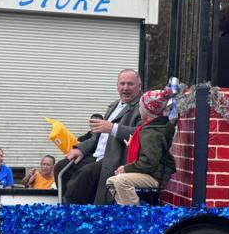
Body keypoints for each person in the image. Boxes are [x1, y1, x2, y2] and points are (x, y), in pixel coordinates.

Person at [59, 69, 143, 205]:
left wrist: (113, 128)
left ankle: (74, 210)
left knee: (86, 173)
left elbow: (141, 134)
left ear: (139, 87)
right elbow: (98, 136)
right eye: (122, 84)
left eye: (130, 84)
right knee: (62, 166)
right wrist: (81, 149)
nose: (125, 88)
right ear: (117, 86)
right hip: (97, 155)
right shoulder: (114, 105)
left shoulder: (143, 106)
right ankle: (70, 204)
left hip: (116, 159)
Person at [106, 89, 177, 205]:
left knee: (120, 181)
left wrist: (126, 168)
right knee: (111, 181)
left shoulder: (152, 133)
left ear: (147, 111)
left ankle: (136, 214)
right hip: (153, 173)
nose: (139, 109)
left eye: (140, 107)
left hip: (155, 176)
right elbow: (151, 153)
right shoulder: (153, 128)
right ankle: (126, 209)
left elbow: (149, 162)